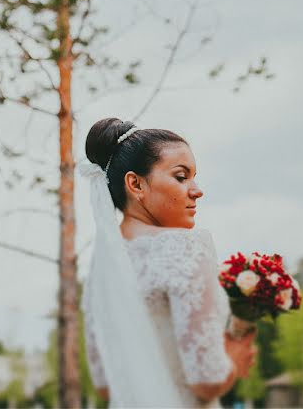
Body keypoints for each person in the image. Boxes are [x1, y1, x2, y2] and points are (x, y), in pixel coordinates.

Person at [79, 117, 257, 408]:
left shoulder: (103, 268)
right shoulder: (184, 250)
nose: (197, 190)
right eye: (181, 176)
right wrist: (234, 359)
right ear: (136, 184)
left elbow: (103, 385)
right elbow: (207, 381)